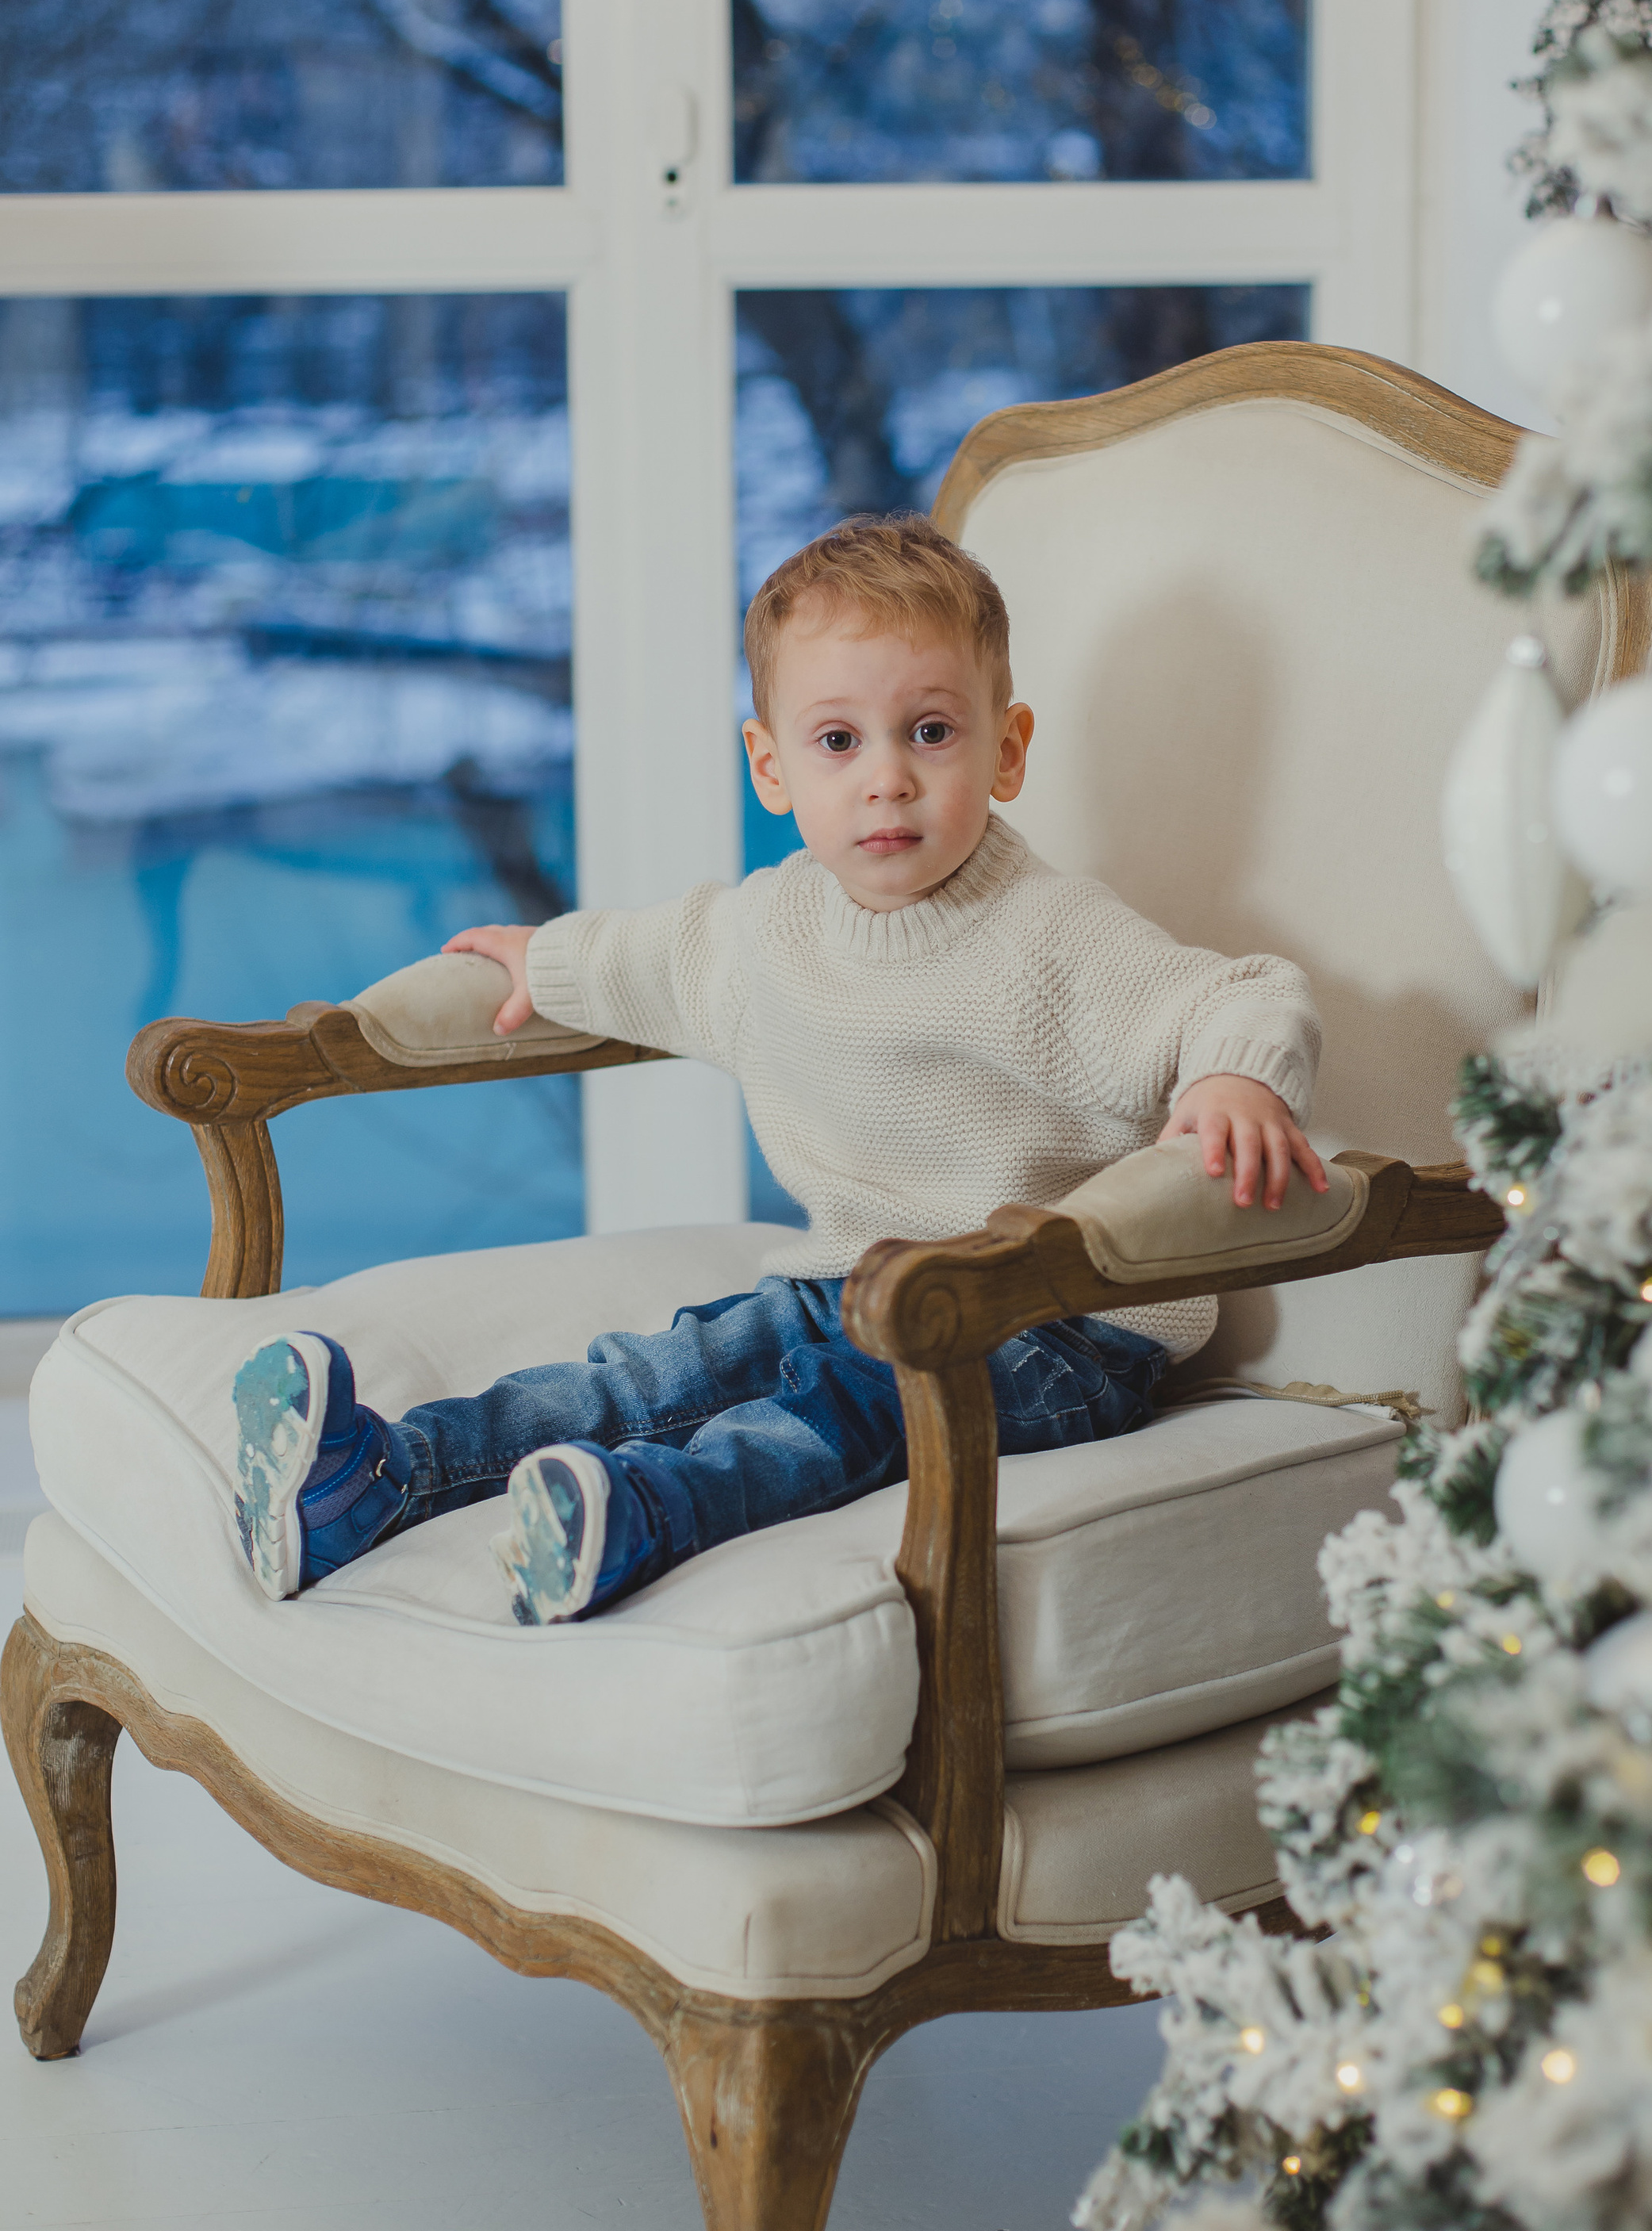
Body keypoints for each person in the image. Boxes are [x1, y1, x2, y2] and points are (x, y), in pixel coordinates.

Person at [228, 514, 1326, 1627]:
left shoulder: (1050, 937)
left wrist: (1230, 1081)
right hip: (846, 1281)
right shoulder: (766, 931)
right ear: (773, 765)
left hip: (1050, 1323)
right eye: (839, 742)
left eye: (932, 732)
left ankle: (645, 1513)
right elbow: (640, 957)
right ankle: (374, 1479)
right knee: (658, 1373)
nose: (887, 780)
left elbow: (1239, 995)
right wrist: (540, 961)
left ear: (1007, 748)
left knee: (849, 1406)